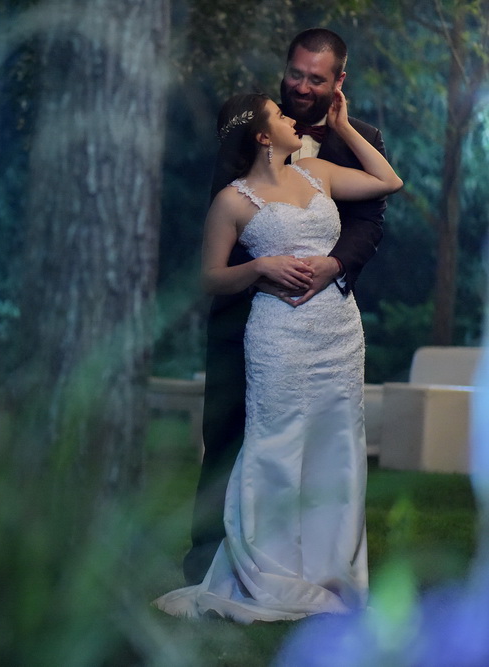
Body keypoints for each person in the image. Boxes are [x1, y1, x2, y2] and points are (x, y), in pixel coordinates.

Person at [154, 89, 401, 622]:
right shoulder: (233, 200)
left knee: (334, 447)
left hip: (337, 330)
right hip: (277, 334)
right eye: (282, 115)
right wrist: (260, 269)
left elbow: (389, 181)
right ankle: (267, 567)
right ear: (264, 136)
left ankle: (329, 568)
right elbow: (209, 277)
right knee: (276, 445)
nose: (295, 119)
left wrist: (345, 124)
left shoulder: (318, 171)